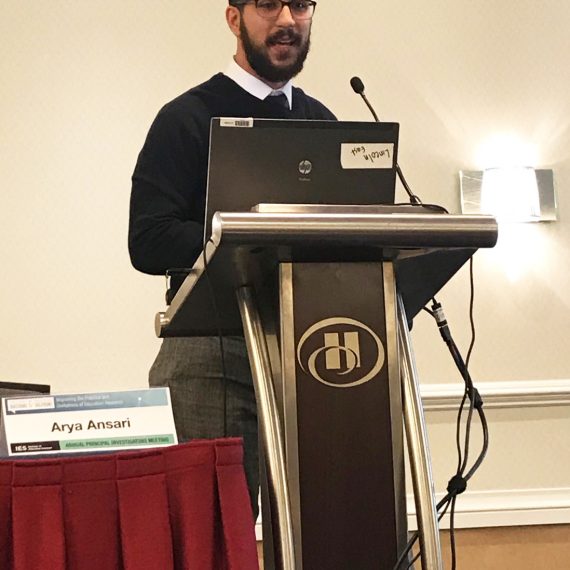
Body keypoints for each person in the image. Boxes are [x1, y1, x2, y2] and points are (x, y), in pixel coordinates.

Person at [128, 0, 335, 515]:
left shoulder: (323, 123)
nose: (286, 19)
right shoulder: (186, 118)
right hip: (211, 353)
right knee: (215, 532)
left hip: (309, 353)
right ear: (233, 18)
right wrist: (244, 238)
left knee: (318, 525)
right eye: (268, 4)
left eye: (300, 5)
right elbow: (148, 239)